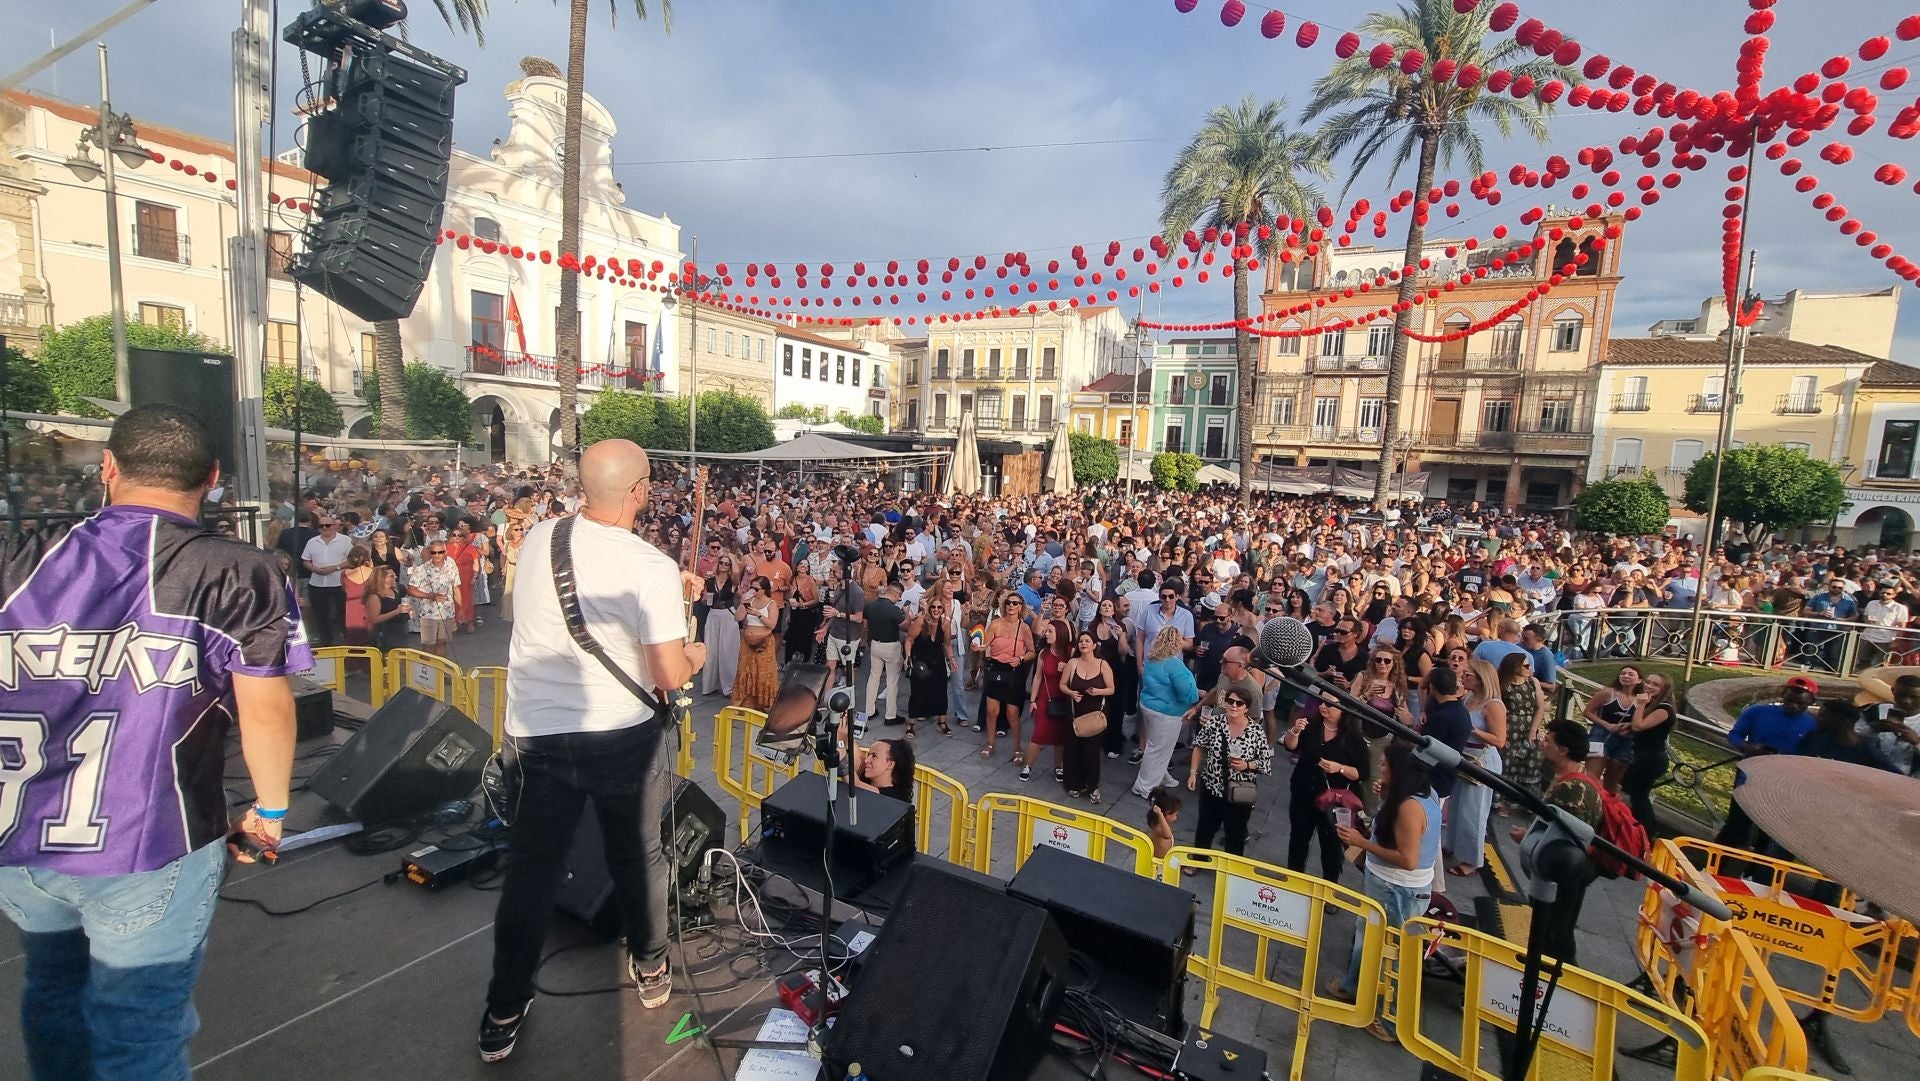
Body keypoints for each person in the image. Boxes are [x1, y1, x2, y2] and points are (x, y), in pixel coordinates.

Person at [0, 405, 308, 1080]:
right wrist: (272, 811)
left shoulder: (18, 559)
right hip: (150, 841)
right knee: (138, 1033)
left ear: (108, 468)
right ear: (215, 478)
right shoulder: (239, 569)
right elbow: (266, 711)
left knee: (50, 989)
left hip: (21, 843)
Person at [480, 440, 707, 1063]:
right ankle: (651, 965)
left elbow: (582, 597)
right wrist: (695, 653)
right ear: (640, 491)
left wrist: (661, 589)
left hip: (538, 733)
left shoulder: (537, 540)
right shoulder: (650, 566)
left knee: (532, 872)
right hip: (622, 738)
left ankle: (503, 1007)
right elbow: (667, 674)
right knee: (638, 855)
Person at [1333, 742, 1439, 1043]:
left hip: (1398, 888)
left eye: (1384, 765)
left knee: (1395, 953)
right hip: (1386, 882)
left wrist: (1360, 842)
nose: (1379, 768)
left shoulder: (1409, 806)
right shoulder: (1414, 795)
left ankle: (1392, 1022)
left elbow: (1408, 859)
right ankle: (1353, 985)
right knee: (1367, 934)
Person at [1511, 719, 1606, 965]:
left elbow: (1567, 837)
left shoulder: (1572, 789)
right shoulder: (1575, 778)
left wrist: (1528, 838)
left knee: (1557, 928)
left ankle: (1555, 976)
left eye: (1548, 740)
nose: (1542, 742)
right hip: (1570, 867)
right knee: (1557, 926)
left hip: (1564, 870)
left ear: (1563, 750)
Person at [1716, 674, 1820, 851]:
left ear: (1811, 702)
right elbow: (1735, 735)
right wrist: (1749, 748)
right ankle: (1715, 862)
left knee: (1770, 830)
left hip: (1785, 783)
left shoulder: (1814, 725)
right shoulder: (1757, 712)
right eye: (1789, 701)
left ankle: (1752, 871)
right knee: (1737, 823)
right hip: (1750, 775)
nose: (1794, 706)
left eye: (1800, 704)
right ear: (1783, 695)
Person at [1282, 701, 1368, 884]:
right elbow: (1290, 746)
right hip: (1303, 793)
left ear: (1343, 709)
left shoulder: (1353, 738)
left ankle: (1330, 886)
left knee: (1331, 847)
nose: (1323, 706)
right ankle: (1293, 879)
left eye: (1330, 704)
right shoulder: (1311, 724)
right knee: (1298, 838)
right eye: (1321, 702)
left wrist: (1340, 768)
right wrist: (1295, 731)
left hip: (1334, 802)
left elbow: (1362, 773)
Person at [1185, 690, 1274, 858]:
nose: (1234, 706)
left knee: (1235, 834)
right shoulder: (1215, 723)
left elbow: (1266, 765)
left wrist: (1246, 764)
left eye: (1239, 703)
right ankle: (1198, 860)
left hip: (1240, 793)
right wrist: (1193, 772)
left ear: (1246, 708)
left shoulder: (1256, 732)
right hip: (1212, 786)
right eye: (1230, 701)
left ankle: (1231, 870)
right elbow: (1199, 746)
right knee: (1205, 827)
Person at [1446, 658, 1509, 878]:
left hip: (1482, 759)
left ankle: (1471, 859)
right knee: (1456, 806)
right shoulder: (1469, 697)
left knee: (1473, 811)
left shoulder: (1493, 705)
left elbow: (1499, 740)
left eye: (1468, 675)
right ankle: (1453, 844)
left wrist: (1473, 730)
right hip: (1464, 755)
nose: (1463, 678)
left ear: (1481, 679)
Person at [1134, 625, 1200, 799]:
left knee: (1158, 746)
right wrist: (1197, 693)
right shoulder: (1174, 664)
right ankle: (1145, 786)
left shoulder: (1152, 659)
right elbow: (1186, 692)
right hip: (1167, 712)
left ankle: (1162, 776)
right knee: (1158, 748)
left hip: (1149, 706)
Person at [1060, 630, 1116, 802]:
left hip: (1095, 714)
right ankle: (1074, 784)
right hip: (1075, 712)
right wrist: (1071, 693)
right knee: (1072, 749)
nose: (1083, 643)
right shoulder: (1073, 663)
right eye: (1081, 641)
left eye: (1087, 641)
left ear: (1094, 645)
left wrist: (1097, 691)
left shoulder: (1102, 664)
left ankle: (1093, 786)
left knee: (1091, 752)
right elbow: (1062, 684)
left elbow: (1111, 689)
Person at [1619, 672, 1677, 835]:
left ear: (1664, 689)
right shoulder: (1654, 705)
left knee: (1639, 797)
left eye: (1655, 685)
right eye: (1648, 682)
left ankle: (1647, 832)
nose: (1649, 686)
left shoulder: (1664, 709)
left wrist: (1640, 705)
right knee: (1634, 793)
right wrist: (1629, 725)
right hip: (1641, 755)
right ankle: (1638, 829)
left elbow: (1639, 726)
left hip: (1650, 759)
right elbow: (1640, 725)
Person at [978, 593, 1034, 759]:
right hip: (995, 669)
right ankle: (990, 743)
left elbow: (1032, 652)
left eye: (1015, 603)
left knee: (1012, 714)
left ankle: (1017, 748)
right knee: (991, 712)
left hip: (1013, 671)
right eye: (1008, 603)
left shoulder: (1024, 628)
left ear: (1020, 607)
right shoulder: (995, 624)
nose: (1011, 606)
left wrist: (1020, 658)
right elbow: (985, 645)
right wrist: (978, 648)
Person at [1023, 618, 1072, 783]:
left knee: (1060, 736)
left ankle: (1059, 766)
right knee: (1039, 734)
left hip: (1064, 698)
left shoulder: (1070, 653)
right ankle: (1028, 766)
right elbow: (1037, 677)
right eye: (1046, 631)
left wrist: (1068, 669)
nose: (1046, 634)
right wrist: (1033, 700)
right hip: (1046, 695)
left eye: (1050, 631)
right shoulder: (1044, 653)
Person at [1581, 666, 1642, 793]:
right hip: (1601, 736)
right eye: (1623, 673)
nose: (1626, 676)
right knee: (1591, 778)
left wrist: (1630, 726)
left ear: (1639, 680)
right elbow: (1588, 712)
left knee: (1612, 784)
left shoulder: (1641, 700)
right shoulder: (1608, 693)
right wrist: (1606, 724)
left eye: (1631, 674)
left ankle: (1607, 808)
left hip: (1625, 740)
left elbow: (1642, 721)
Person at [1498, 652, 1549, 797]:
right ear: (1515, 667)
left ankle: (1526, 800)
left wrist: (1533, 730)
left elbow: (1540, 707)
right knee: (1507, 764)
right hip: (1508, 728)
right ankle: (1503, 799)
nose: (1530, 668)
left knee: (1530, 763)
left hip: (1529, 726)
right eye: (1526, 665)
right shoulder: (1503, 685)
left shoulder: (1533, 682)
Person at [302, 512, 353, 645]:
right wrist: (314, 568)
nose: (324, 528)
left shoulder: (345, 541)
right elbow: (305, 560)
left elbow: (352, 560)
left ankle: (348, 640)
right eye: (321, 526)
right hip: (317, 583)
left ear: (335, 526)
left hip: (339, 583)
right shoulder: (312, 541)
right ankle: (326, 642)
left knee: (343, 613)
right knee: (320, 615)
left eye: (327, 525)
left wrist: (335, 568)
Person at [862, 583, 909, 726]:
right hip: (891, 646)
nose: (899, 599)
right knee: (892, 681)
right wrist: (906, 613)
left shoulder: (870, 606)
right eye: (899, 596)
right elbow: (906, 627)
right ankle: (890, 715)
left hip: (875, 644)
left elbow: (865, 626)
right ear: (895, 594)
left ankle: (869, 711)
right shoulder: (894, 610)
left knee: (873, 678)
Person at [732, 576, 780, 713]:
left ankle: (765, 702)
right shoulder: (750, 600)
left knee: (763, 671)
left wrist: (758, 614)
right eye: (752, 587)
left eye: (756, 589)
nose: (754, 591)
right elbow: (737, 618)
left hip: (764, 641)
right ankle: (743, 702)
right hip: (747, 641)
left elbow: (772, 624)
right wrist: (743, 603)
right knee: (745, 670)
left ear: (764, 590)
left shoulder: (771, 604)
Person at [407, 539, 461, 658]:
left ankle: (439, 674)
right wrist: (429, 596)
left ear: (445, 552)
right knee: (428, 645)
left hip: (448, 613)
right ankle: (426, 674)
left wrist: (460, 611)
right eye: (434, 552)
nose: (437, 555)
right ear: (430, 553)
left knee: (442, 642)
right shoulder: (421, 569)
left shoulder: (452, 568)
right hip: (428, 614)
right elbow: (411, 589)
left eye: (440, 552)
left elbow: (456, 589)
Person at [700, 555, 741, 697]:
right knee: (711, 649)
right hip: (713, 613)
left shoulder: (732, 581)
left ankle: (728, 687)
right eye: (722, 563)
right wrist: (705, 598)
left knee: (728, 650)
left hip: (727, 614)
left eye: (726, 564)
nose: (723, 565)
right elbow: (705, 599)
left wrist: (732, 557)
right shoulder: (710, 580)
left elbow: (737, 574)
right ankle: (709, 685)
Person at [853, 737, 917, 804]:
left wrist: (841, 745)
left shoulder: (892, 797)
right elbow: (858, 755)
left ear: (890, 764)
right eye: (869, 755)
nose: (867, 760)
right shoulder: (870, 777)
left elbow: (853, 782)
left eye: (874, 756)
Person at [366, 565, 412, 652]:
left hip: (399, 630)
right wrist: (397, 611)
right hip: (384, 633)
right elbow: (375, 619)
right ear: (382, 578)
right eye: (391, 576)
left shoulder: (395, 590)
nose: (395, 577)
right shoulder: (374, 596)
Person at [1146, 788, 1182, 861]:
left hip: (1166, 857)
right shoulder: (1158, 827)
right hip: (1159, 862)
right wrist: (1160, 814)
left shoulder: (1162, 823)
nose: (1176, 818)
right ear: (1167, 813)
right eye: (1175, 815)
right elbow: (1168, 835)